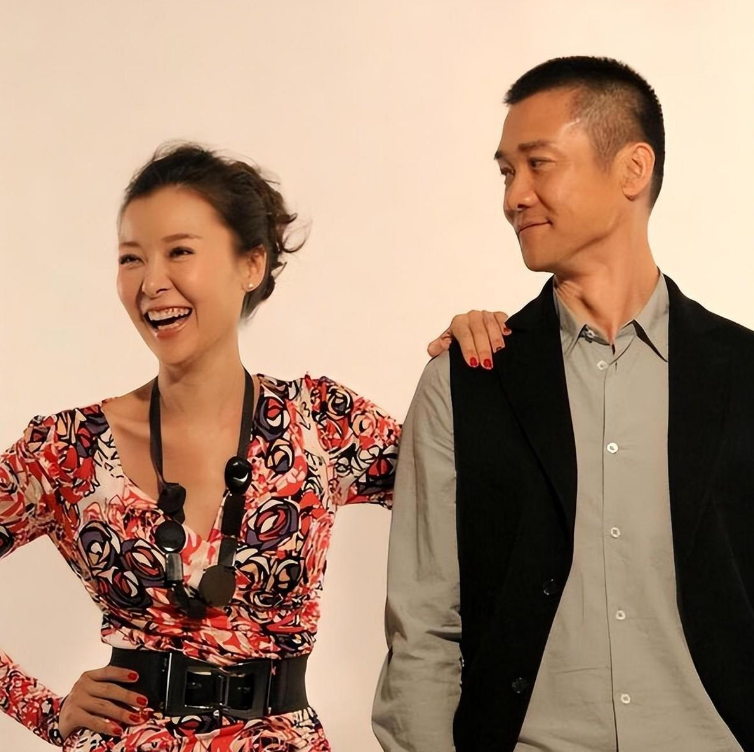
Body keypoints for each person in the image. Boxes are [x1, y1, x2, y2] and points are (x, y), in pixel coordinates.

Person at [0, 143, 506, 752]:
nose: (151, 282)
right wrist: (43, 709)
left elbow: (483, 504)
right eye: (131, 258)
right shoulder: (65, 449)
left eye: (179, 251)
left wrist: (481, 367)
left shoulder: (322, 422)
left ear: (252, 264)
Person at [374, 55, 754, 752]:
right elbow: (423, 630)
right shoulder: (466, 379)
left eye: (538, 164)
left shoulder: (745, 373)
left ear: (633, 169)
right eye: (505, 172)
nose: (514, 196)